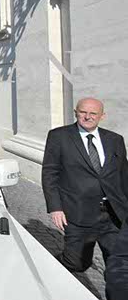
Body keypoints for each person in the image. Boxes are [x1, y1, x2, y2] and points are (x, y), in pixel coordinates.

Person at [42, 97, 128, 280]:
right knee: (77, 263)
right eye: (83, 112)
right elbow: (50, 173)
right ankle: (48, 274)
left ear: (102, 116)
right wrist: (56, 207)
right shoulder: (59, 136)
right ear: (76, 113)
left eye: (93, 113)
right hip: (78, 212)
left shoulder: (115, 140)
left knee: (119, 266)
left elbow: (123, 175)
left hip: (113, 215)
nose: (88, 117)